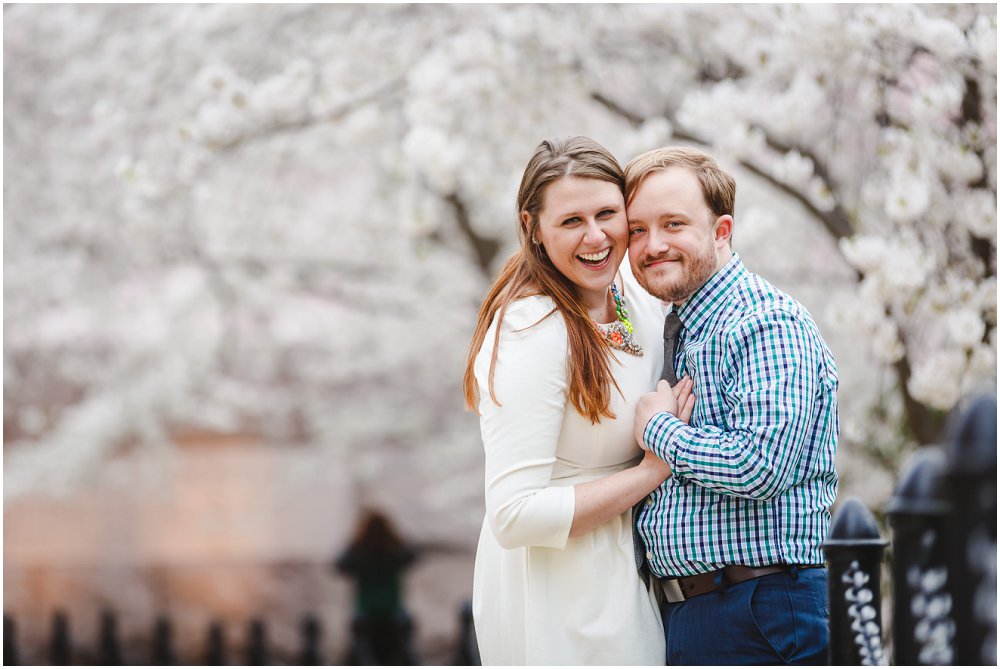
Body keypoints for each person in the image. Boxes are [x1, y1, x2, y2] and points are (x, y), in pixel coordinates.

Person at [462, 137, 692, 665]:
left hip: (629, 567)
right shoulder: (531, 329)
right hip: (559, 588)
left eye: (608, 214)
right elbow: (514, 513)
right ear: (533, 229)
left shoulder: (631, 295)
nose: (596, 236)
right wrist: (653, 471)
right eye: (571, 221)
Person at [626, 146, 839, 665]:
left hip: (758, 609)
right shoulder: (679, 328)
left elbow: (759, 466)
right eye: (636, 229)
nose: (653, 245)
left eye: (673, 223)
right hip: (697, 612)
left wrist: (658, 429)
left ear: (721, 231)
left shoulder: (765, 322)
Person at [334, 509, 419, 665]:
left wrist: (354, 541)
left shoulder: (360, 553)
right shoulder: (394, 553)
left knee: (355, 655)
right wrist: (397, 538)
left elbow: (339, 564)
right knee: (407, 655)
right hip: (391, 613)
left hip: (368, 614)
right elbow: (413, 554)